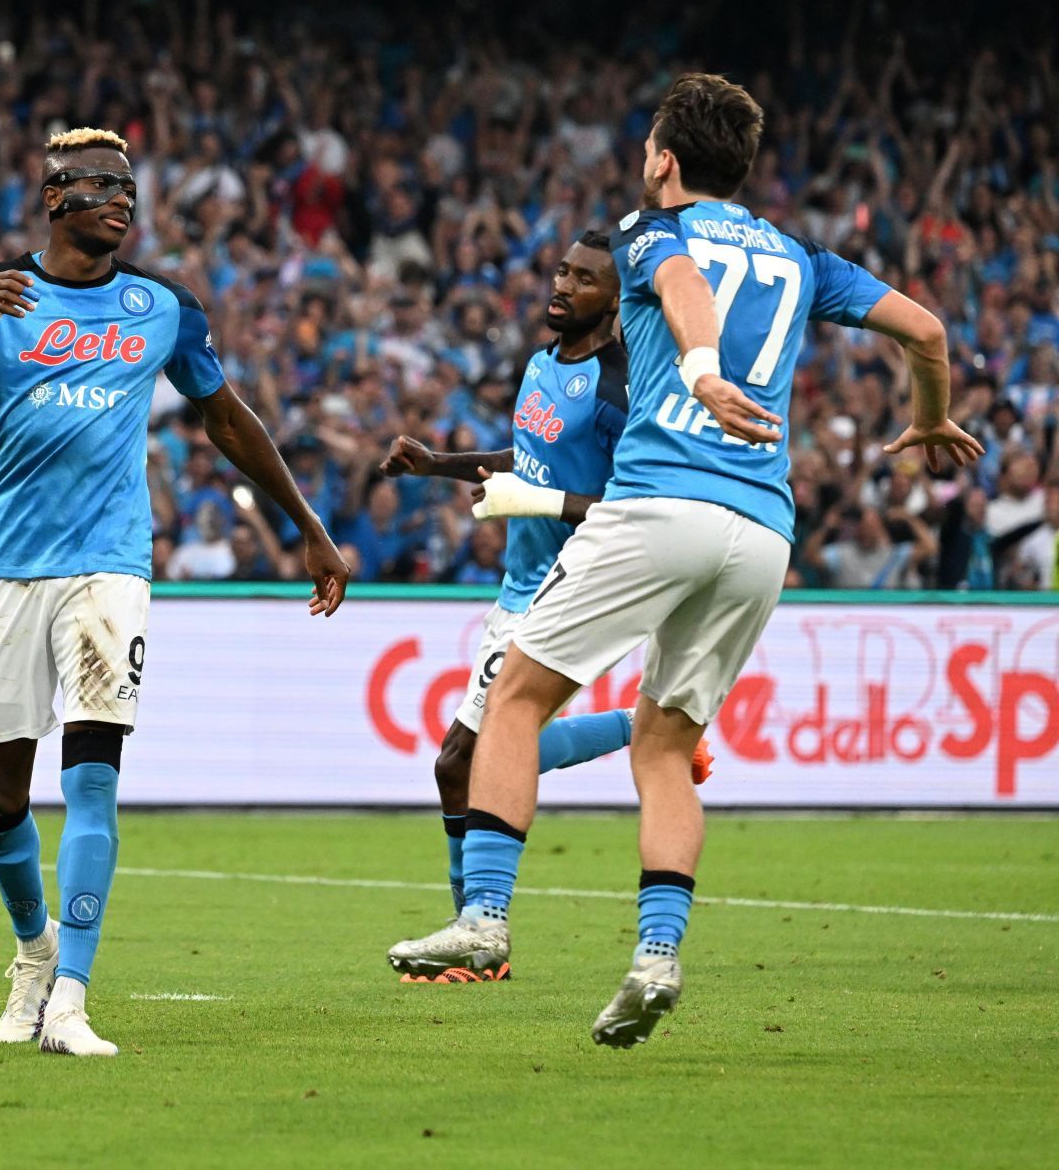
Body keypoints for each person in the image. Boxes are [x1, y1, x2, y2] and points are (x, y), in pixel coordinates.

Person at [386, 74, 981, 1047]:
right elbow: (928, 329)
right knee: (666, 747)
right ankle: (656, 956)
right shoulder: (798, 251)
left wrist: (701, 371)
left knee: (516, 700)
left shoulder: (641, 229)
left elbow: (683, 287)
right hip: (764, 533)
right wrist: (929, 418)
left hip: (664, 497)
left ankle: (484, 920)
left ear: (664, 155)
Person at [0, 127, 350, 1057]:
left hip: (112, 563)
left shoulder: (162, 305)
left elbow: (226, 419)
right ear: (52, 196)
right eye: (100, 185)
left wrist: (307, 526)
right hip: (8, 565)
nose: (122, 199)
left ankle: (71, 994)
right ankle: (33, 950)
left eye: (127, 186)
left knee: (91, 781)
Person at [382, 232, 712, 984]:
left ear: (616, 299)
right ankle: (645, 732)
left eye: (585, 279)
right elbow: (525, 460)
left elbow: (640, 509)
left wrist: (535, 500)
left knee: (461, 757)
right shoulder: (540, 364)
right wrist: (438, 465)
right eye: (562, 270)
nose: (563, 285)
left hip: (568, 584)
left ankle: (477, 939)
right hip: (516, 583)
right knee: (475, 757)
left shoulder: (619, 388)